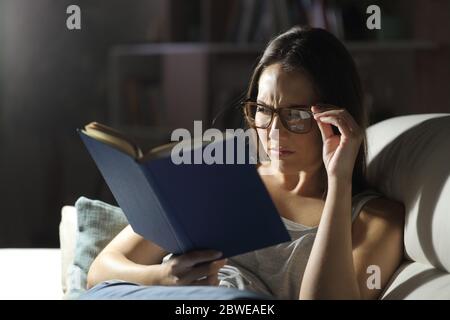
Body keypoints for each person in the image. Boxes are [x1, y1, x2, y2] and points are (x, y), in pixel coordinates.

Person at [81, 26, 404, 300]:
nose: (274, 132)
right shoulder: (221, 179)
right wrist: (164, 277)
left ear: (336, 119)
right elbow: (100, 271)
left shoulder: (375, 219)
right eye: (262, 110)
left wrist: (339, 181)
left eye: (295, 114)